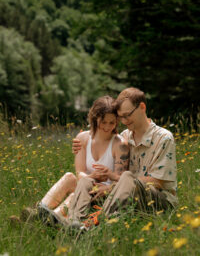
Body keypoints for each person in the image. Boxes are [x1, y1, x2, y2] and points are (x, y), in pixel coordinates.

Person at [69, 87, 177, 228]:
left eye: (127, 115)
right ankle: (74, 222)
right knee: (87, 182)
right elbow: (99, 137)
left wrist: (112, 188)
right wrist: (79, 144)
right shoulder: (124, 137)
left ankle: (96, 223)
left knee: (127, 176)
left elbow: (158, 181)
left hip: (159, 200)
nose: (124, 121)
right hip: (126, 196)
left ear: (142, 107)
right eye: (121, 117)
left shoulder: (163, 138)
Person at [17, 96, 129, 225]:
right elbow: (79, 172)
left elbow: (121, 181)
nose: (107, 127)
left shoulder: (120, 144)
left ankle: (49, 221)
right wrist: (91, 177)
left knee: (75, 194)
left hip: (102, 193)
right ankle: (38, 211)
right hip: (85, 185)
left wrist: (108, 178)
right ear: (95, 118)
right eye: (103, 122)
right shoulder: (83, 138)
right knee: (69, 177)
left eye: (112, 122)